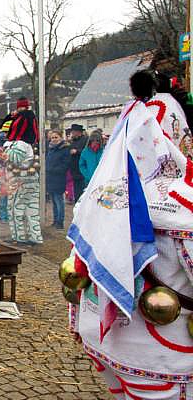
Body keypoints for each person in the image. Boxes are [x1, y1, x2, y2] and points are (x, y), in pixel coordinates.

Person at [66, 70, 193, 398]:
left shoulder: (97, 193)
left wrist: (77, 323)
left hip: (106, 341)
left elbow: (78, 267)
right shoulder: (185, 203)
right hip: (162, 356)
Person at [4, 140, 42, 244]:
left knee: (15, 209)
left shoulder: (19, 144)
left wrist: (6, 153)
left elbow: (15, 157)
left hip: (19, 182)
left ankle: (18, 237)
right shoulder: (28, 144)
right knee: (32, 210)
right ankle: (35, 237)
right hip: (32, 181)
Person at [45, 130, 70, 229]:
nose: (54, 139)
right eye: (52, 137)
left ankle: (60, 222)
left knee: (59, 200)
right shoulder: (50, 149)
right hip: (50, 178)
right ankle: (55, 221)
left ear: (60, 137)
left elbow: (65, 164)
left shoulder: (64, 149)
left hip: (59, 178)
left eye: (56, 137)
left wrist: (53, 170)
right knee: (54, 202)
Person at [68, 124, 88, 201]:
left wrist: (77, 151)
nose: (72, 133)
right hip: (74, 170)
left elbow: (86, 151)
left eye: (73, 132)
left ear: (78, 132)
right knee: (76, 191)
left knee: (82, 190)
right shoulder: (73, 141)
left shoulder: (85, 139)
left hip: (82, 169)